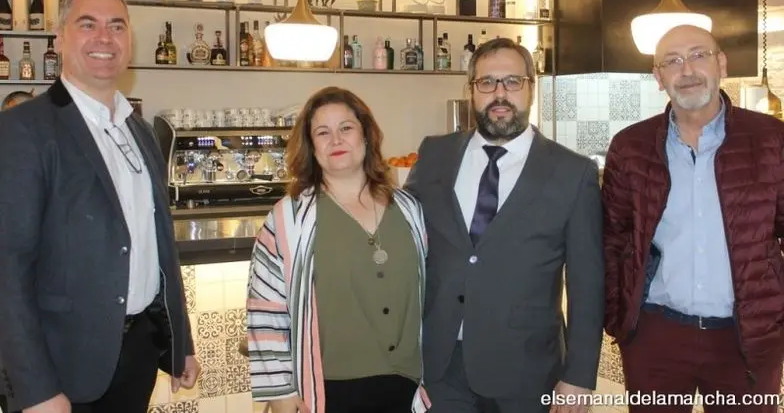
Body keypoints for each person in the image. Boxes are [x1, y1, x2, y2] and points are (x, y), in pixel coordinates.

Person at [0, 0, 199, 413]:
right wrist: (33, 389)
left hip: (137, 356)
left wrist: (179, 342)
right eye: (87, 24)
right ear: (60, 38)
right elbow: (7, 269)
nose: (104, 38)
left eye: (117, 26)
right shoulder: (22, 129)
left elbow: (158, 247)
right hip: (61, 368)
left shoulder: (139, 130)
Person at [404, 37, 604, 413]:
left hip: (527, 369)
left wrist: (579, 375)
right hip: (440, 367)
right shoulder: (434, 154)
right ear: (471, 90)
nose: (500, 94)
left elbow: (587, 284)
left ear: (531, 88)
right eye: (487, 82)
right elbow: (404, 239)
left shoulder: (573, 172)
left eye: (512, 81)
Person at [603, 25, 784, 413]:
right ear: (658, 77)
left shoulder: (772, 139)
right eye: (672, 61)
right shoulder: (630, 146)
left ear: (722, 64)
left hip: (746, 339)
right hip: (656, 336)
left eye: (699, 55)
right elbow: (612, 239)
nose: (686, 70)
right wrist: (620, 320)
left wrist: (775, 315)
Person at [246, 86, 431, 413]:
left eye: (346, 128)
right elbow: (264, 311)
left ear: (366, 135)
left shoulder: (408, 208)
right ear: (311, 146)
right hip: (328, 391)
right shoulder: (288, 218)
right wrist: (280, 393)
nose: (336, 140)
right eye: (323, 132)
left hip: (407, 387)